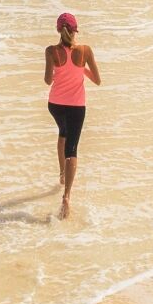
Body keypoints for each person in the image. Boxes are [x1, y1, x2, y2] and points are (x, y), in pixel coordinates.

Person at [44, 12, 101, 218]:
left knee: (63, 133)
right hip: (76, 106)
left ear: (58, 30)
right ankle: (66, 196)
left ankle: (61, 175)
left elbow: (47, 81)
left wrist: (59, 71)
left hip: (55, 105)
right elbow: (97, 80)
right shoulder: (85, 51)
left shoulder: (51, 51)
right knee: (72, 149)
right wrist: (81, 69)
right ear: (75, 30)